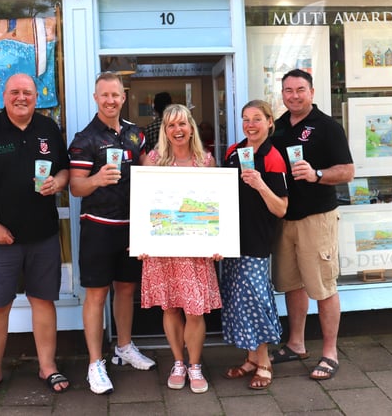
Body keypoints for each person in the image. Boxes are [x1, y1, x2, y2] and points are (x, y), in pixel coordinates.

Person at [0, 73, 71, 400]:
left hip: (43, 234)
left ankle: (47, 366)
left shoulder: (49, 128)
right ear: (4, 95)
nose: (21, 97)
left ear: (36, 96)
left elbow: (64, 168)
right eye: (15, 92)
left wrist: (60, 182)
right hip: (0, 238)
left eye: (27, 92)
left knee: (43, 301)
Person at [68, 72, 156, 395]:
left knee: (126, 289)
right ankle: (95, 363)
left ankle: (123, 347)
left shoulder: (136, 135)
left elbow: (149, 170)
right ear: (95, 98)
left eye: (115, 95)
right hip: (98, 227)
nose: (110, 100)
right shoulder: (84, 138)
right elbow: (76, 187)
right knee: (96, 294)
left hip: (131, 227)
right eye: (104, 95)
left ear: (123, 96)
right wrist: (96, 180)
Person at [270, 68, 354, 381]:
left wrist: (317, 174)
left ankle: (330, 352)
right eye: (288, 90)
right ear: (282, 94)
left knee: (322, 285)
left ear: (312, 92)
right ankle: (296, 343)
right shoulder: (277, 127)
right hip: (285, 218)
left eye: (300, 90)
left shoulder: (327, 127)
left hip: (316, 218)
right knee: (292, 284)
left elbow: (347, 171)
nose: (294, 95)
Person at [138, 104, 222, 394]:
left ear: (191, 127)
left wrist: (218, 242)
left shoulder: (206, 161)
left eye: (182, 124)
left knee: (195, 311)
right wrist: (141, 240)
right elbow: (142, 204)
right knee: (171, 307)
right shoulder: (153, 160)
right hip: (162, 250)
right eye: (171, 125)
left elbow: (216, 206)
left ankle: (195, 365)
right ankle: (178, 362)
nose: (178, 130)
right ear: (164, 130)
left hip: (196, 251)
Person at [221, 100, 288, 390]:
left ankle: (264, 362)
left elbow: (281, 208)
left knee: (255, 300)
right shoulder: (233, 153)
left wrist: (260, 184)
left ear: (270, 122)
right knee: (238, 299)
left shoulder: (273, 157)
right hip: (231, 239)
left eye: (257, 119)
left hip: (257, 240)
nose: (251, 124)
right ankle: (250, 359)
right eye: (246, 119)